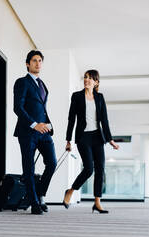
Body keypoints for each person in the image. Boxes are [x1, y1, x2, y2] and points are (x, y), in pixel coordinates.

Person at [63, 69, 119, 214]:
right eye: (85, 77)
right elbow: (71, 119)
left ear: (96, 82)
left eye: (90, 78)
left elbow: (105, 120)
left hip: (97, 137)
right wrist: (68, 140)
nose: (86, 80)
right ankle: (70, 191)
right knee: (88, 169)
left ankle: (97, 202)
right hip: (83, 137)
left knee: (100, 169)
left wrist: (110, 139)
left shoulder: (100, 98)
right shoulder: (76, 96)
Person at [13, 50, 57, 215]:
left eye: (40, 61)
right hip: (27, 131)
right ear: (27, 64)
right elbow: (18, 107)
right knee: (29, 168)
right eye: (34, 60)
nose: (38, 63)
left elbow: (42, 109)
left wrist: (47, 124)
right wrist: (34, 124)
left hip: (44, 131)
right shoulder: (22, 82)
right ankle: (34, 203)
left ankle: (39, 193)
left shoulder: (42, 84)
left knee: (52, 163)